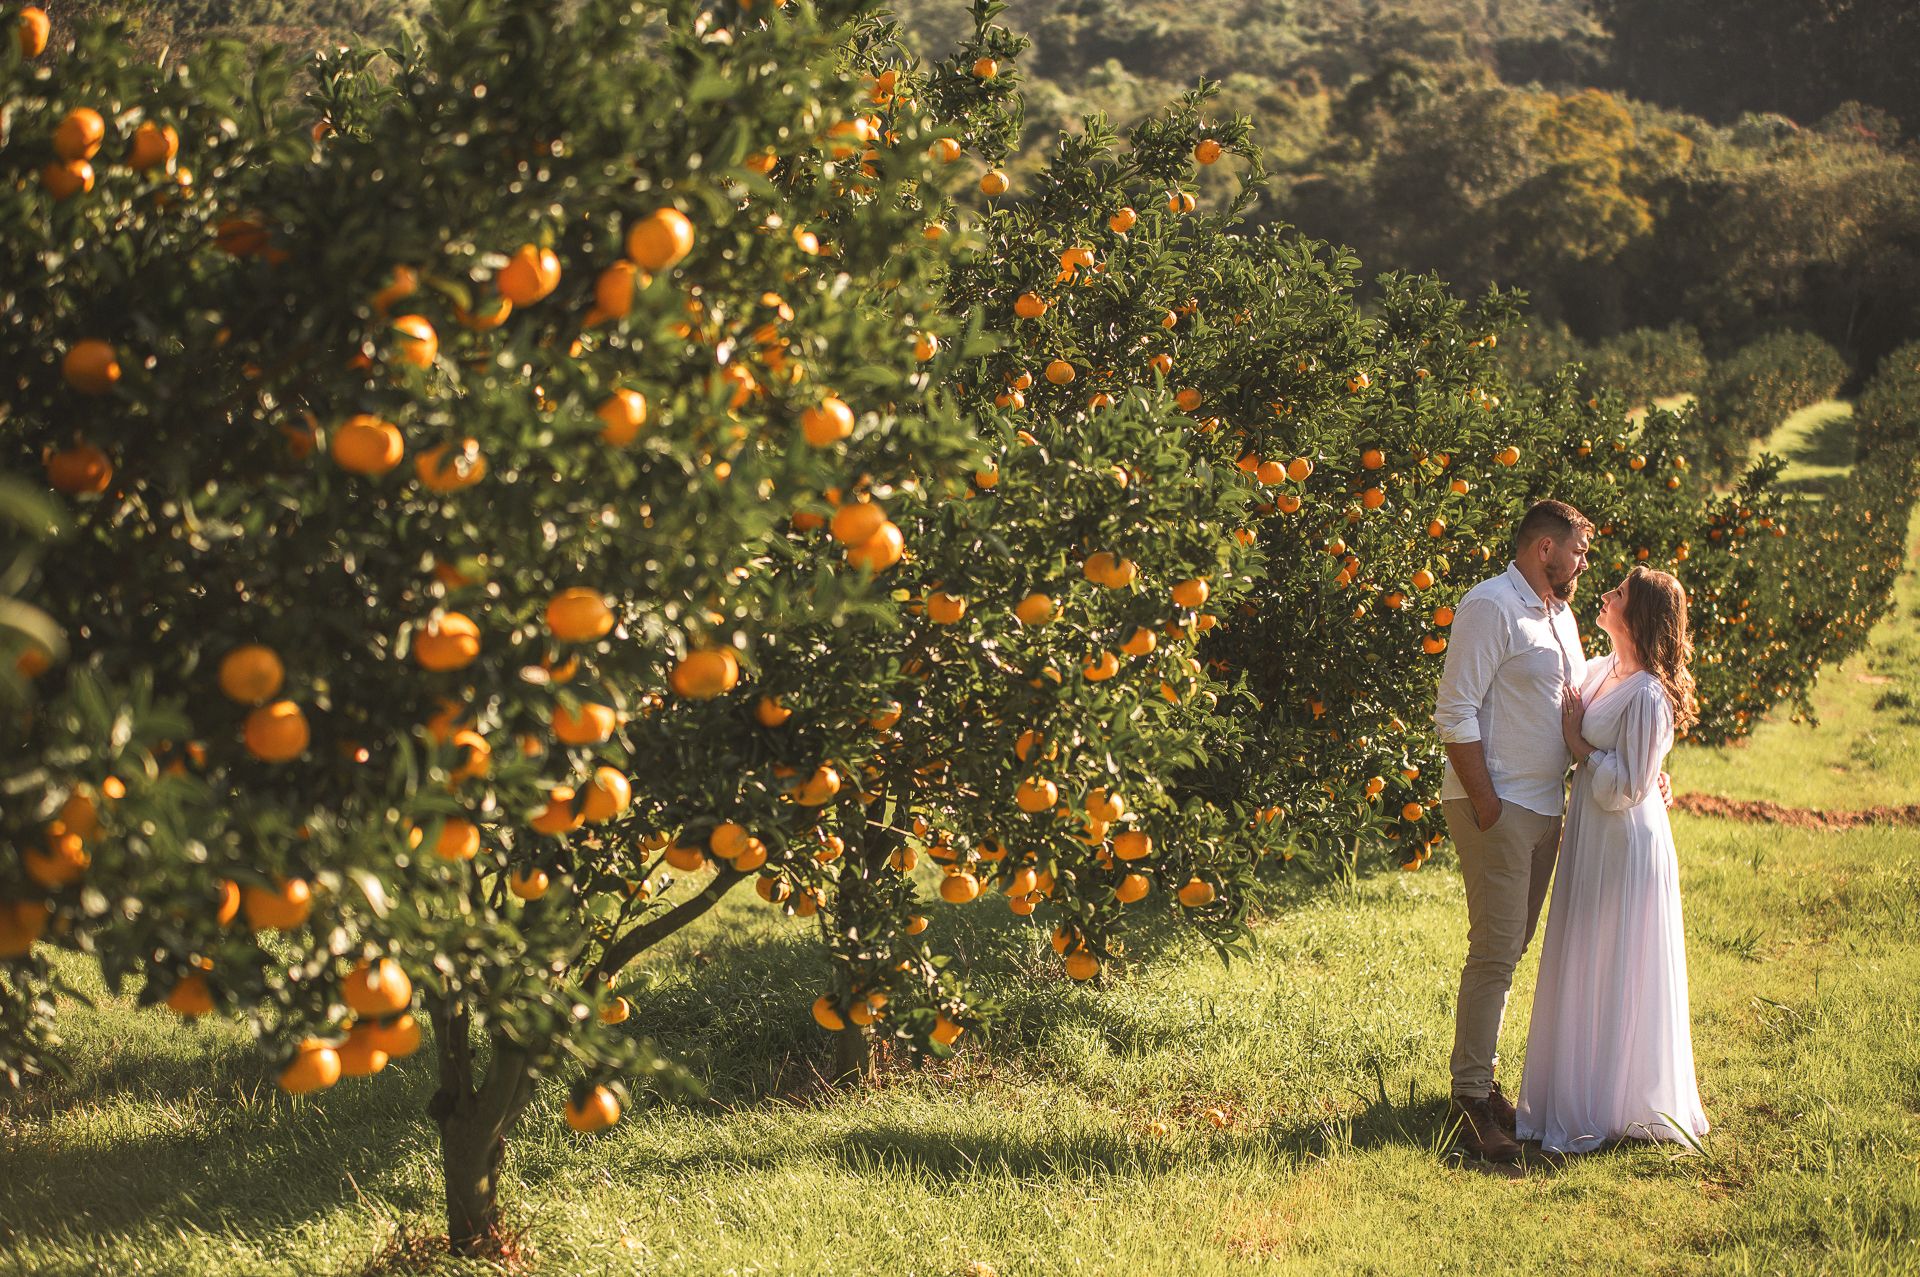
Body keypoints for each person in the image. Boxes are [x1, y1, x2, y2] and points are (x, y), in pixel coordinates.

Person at [1515, 567, 1710, 1154]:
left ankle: (1618, 1099)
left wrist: (1582, 749)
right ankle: (1576, 1091)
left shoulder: (1650, 691)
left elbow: (1626, 787)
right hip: (1592, 836)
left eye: (1619, 594)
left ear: (1640, 614)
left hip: (1625, 840)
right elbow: (1633, 764)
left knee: (1616, 957)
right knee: (1585, 954)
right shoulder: (1601, 670)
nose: (1604, 594)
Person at [1431, 499, 1595, 1162]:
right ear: (1545, 549)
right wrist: (1487, 803)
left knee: (1510, 945)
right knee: (1495, 950)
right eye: (1579, 550)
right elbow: (1455, 711)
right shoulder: (1491, 605)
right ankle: (1469, 1103)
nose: (1584, 563)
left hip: (1543, 807)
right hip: (1496, 806)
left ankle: (1483, 1081)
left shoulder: (1561, 614)